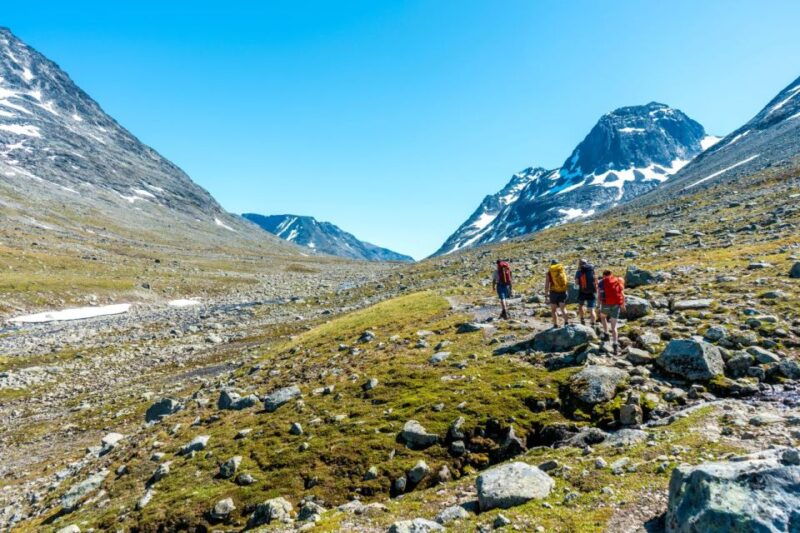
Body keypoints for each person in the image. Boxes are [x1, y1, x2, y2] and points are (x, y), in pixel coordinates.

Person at [598, 269, 626, 355]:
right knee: (614, 327)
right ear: (611, 274)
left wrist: (598, 305)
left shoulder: (601, 282)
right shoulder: (617, 281)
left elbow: (599, 295)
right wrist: (623, 305)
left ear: (603, 275)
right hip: (616, 305)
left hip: (606, 304)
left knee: (603, 317)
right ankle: (615, 345)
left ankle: (606, 333)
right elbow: (622, 294)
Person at [544, 259, 569, 328]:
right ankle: (566, 323)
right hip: (562, 291)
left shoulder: (549, 272)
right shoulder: (561, 270)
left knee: (553, 310)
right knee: (563, 308)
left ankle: (555, 324)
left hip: (553, 292)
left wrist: (546, 295)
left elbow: (547, 285)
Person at [575, 259, 598, 326]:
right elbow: (596, 280)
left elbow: (576, 282)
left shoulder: (578, 272)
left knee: (580, 306)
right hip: (591, 291)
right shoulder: (592, 270)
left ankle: (582, 319)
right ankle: (593, 323)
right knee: (591, 309)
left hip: (582, 291)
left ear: (580, 264)